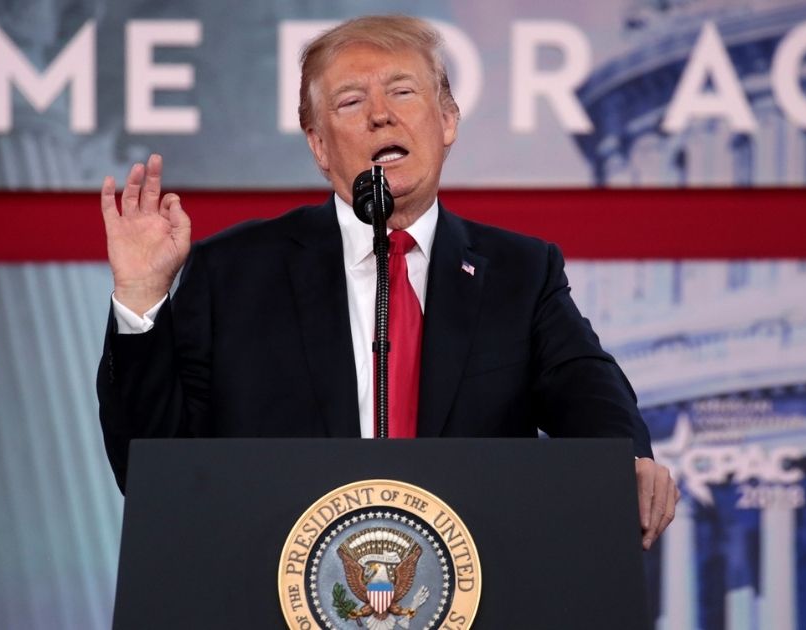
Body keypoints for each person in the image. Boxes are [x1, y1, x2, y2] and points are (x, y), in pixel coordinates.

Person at [97, 15, 677, 549]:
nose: (381, 114)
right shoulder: (234, 272)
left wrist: (625, 459)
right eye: (351, 101)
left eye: (402, 92)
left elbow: (586, 387)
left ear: (447, 120)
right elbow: (152, 468)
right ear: (319, 145)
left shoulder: (520, 273)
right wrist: (143, 294)